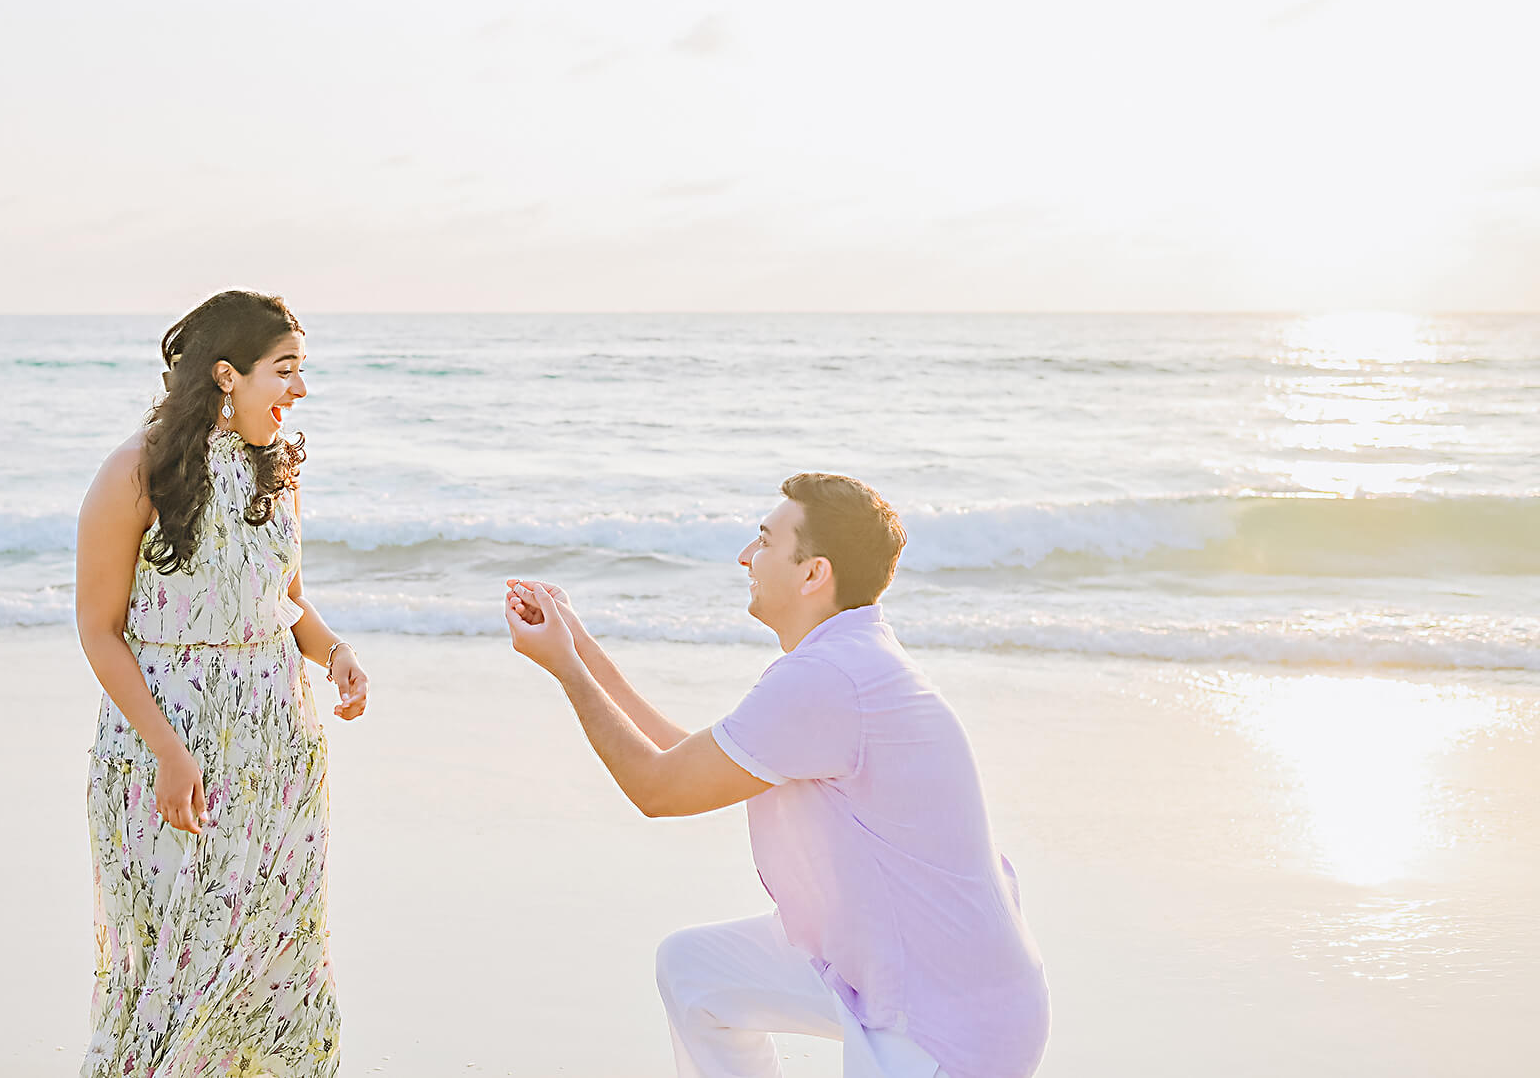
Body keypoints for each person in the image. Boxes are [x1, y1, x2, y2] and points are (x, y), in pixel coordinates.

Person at [504, 472, 1047, 1078]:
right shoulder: (842, 660)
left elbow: (656, 790)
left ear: (814, 573)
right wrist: (575, 644)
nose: (745, 557)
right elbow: (686, 757)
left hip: (948, 1026)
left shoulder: (830, 681)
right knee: (694, 969)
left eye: (763, 541)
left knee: (695, 969)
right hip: (897, 969)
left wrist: (564, 670)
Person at [76, 290, 369, 1078]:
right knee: (177, 970)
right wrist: (170, 751)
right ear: (227, 374)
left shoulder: (277, 468)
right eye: (287, 370)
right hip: (169, 762)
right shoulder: (133, 472)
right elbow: (99, 630)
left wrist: (334, 650)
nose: (300, 390)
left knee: (276, 964)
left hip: (280, 759)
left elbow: (287, 601)